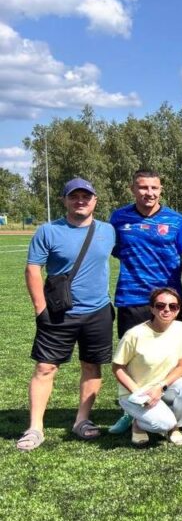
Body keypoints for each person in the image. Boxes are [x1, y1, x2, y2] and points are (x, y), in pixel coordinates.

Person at [17, 177, 117, 451]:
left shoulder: (108, 230)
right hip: (59, 312)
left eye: (86, 196)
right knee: (45, 368)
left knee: (91, 366)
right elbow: (32, 269)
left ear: (95, 200)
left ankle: (82, 420)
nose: (80, 201)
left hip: (98, 311)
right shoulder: (48, 231)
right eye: (74, 196)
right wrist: (41, 309)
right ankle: (35, 427)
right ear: (65, 200)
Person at [107, 169, 182, 436]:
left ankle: (163, 404)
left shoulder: (176, 221)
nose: (149, 193)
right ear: (133, 189)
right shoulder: (119, 218)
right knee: (132, 360)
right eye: (143, 187)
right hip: (131, 297)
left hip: (169, 302)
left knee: (170, 358)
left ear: (161, 189)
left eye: (154, 187)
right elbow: (113, 250)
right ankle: (131, 410)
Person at [111, 287, 182, 446]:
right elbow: (118, 367)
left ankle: (174, 427)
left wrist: (160, 386)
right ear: (152, 308)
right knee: (162, 424)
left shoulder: (181, 329)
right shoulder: (134, 334)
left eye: (173, 306)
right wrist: (138, 393)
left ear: (178, 310)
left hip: (162, 387)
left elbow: (181, 366)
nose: (167, 310)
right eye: (160, 305)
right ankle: (138, 423)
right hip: (136, 392)